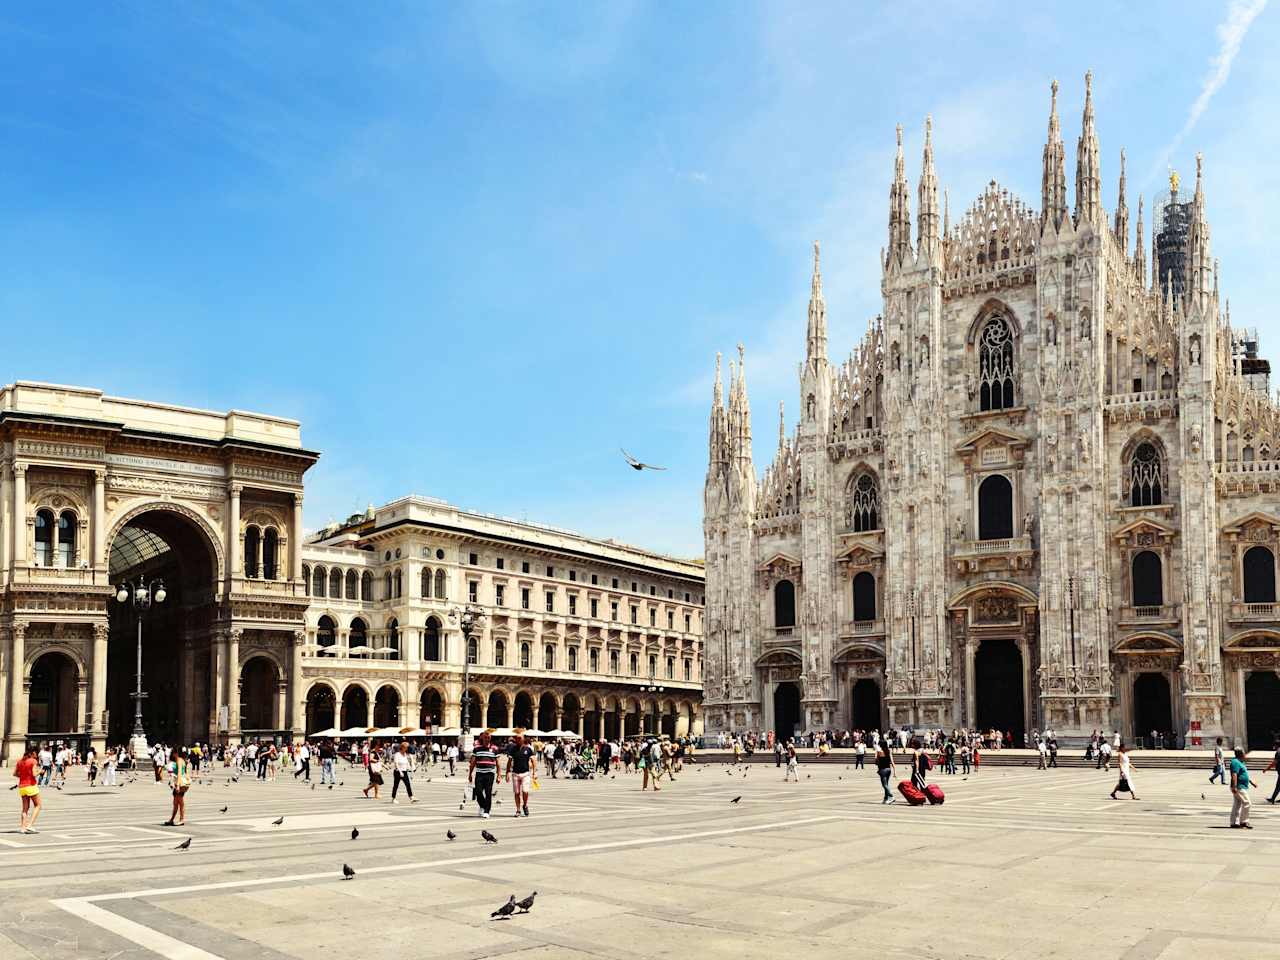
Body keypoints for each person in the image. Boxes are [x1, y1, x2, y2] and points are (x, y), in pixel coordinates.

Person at [504, 733, 537, 816]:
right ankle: (518, 810)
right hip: (515, 773)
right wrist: (507, 772)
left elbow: (533, 761)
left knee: (525, 791)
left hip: (525, 773)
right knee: (517, 793)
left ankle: (525, 805)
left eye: (520, 738)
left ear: (523, 739)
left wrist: (534, 772)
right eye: (517, 738)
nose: (518, 740)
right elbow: (509, 761)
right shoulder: (512, 749)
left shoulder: (528, 749)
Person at [468, 731, 498, 818]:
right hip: (479, 773)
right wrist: (470, 774)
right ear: (482, 738)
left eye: (488, 737)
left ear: (490, 738)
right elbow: (473, 762)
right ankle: (483, 805)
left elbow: (498, 763)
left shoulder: (495, 749)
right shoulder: (477, 749)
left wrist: (499, 774)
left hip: (490, 773)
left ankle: (486, 811)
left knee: (488, 792)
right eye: (485, 737)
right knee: (478, 791)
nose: (487, 739)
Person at [14, 746, 41, 833]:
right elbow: (34, 774)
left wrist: (23, 776)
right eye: (36, 753)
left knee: (25, 808)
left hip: (22, 787)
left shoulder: (20, 761)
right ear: (33, 753)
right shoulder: (33, 761)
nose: (37, 755)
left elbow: (15, 774)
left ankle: (23, 828)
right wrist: (40, 771)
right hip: (31, 786)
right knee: (38, 805)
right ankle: (30, 825)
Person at [164, 747, 190, 826]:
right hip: (179, 782)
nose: (172, 754)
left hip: (180, 783)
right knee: (175, 802)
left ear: (176, 753)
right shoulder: (181, 760)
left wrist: (178, 785)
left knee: (180, 802)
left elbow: (179, 773)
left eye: (173, 753)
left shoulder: (179, 760)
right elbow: (185, 772)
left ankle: (181, 819)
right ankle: (172, 819)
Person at [1230, 747, 1253, 828]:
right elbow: (1234, 774)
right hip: (1239, 786)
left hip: (1241, 786)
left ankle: (1234, 822)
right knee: (1247, 803)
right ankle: (1244, 821)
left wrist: (1251, 782)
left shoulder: (1240, 762)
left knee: (1237, 804)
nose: (1245, 754)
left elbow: (1244, 774)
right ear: (1241, 754)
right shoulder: (1235, 762)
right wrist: (1234, 786)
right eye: (1244, 753)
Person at [1266, 739, 1280, 804]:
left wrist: (1266, 769)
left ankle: (1272, 799)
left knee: (1278, 786)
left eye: (1274, 745)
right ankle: (1272, 798)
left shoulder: (1278, 752)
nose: (1274, 746)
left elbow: (1274, 762)